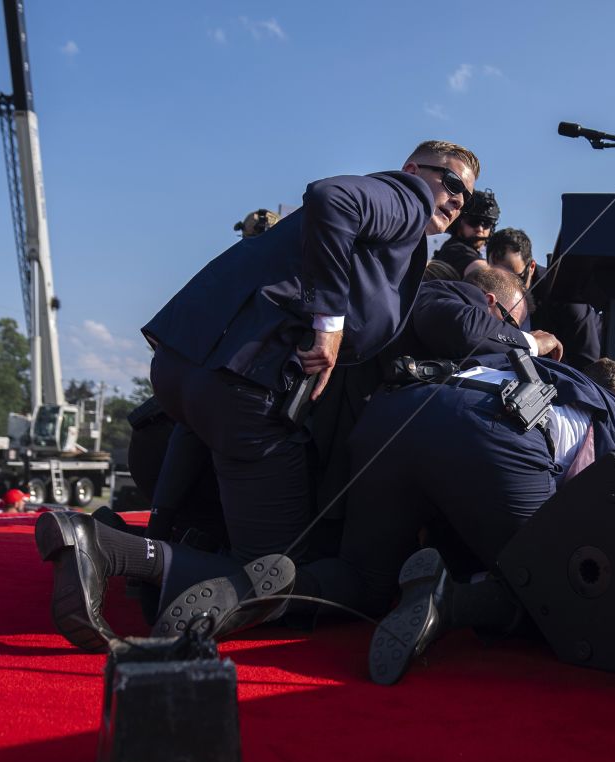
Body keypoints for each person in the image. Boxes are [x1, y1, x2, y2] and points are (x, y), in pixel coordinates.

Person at [35, 140, 481, 652]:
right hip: (244, 384)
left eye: (465, 197)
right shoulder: (405, 197)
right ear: (412, 170)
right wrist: (329, 323)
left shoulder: (398, 236)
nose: (454, 201)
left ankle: (140, 552)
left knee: (239, 531)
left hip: (193, 369)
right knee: (270, 572)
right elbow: (333, 197)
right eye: (449, 183)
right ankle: (105, 548)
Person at [344, 352, 615, 685]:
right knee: (556, 593)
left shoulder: (540, 372)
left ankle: (295, 589)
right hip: (491, 427)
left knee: (363, 581)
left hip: (396, 407)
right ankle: (448, 603)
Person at [389, 266, 563, 363]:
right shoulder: (437, 293)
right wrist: (531, 343)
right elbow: (463, 326)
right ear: (489, 300)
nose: (510, 332)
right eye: (509, 323)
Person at [432, 188, 499, 277]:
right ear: (459, 222)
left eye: (486, 223)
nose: (480, 228)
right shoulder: (454, 250)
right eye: (474, 221)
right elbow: (486, 276)